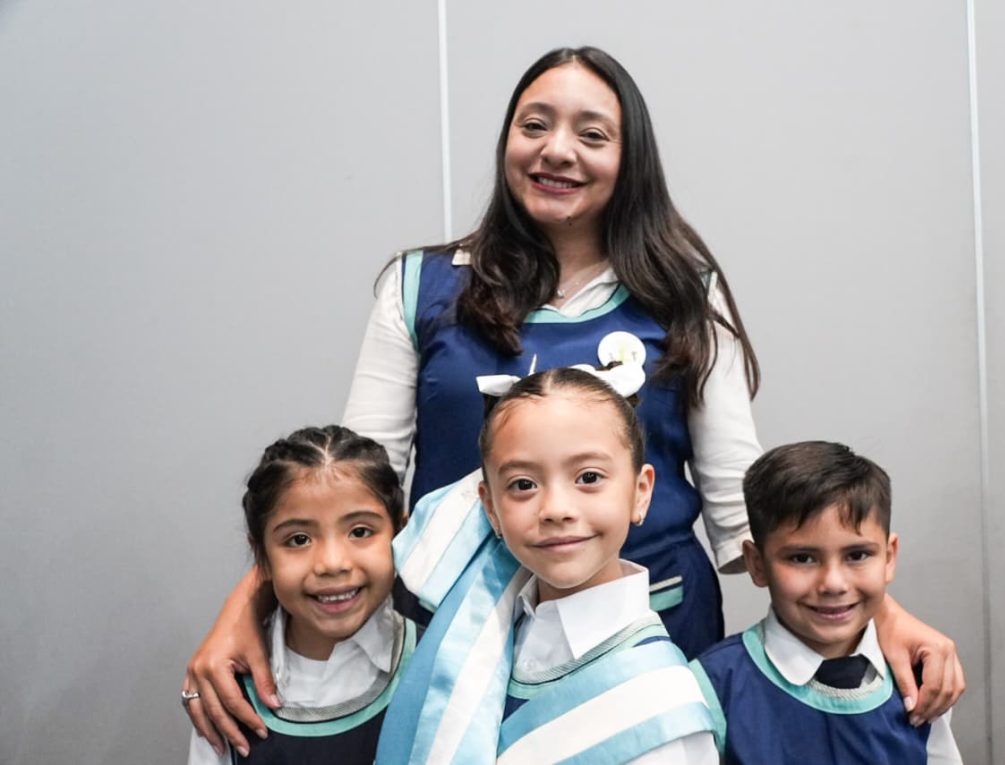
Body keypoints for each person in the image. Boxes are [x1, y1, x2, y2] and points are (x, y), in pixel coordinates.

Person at [183, 46, 964, 755]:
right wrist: (248, 603)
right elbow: (347, 494)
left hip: (648, 630)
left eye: (592, 134)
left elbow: (747, 513)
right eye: (535, 125)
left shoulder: (684, 293)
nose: (557, 149)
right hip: (457, 641)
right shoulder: (420, 288)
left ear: (631, 159)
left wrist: (876, 614)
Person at [377, 366, 718, 764]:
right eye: (523, 484)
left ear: (640, 492)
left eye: (588, 477)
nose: (556, 509)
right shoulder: (468, 645)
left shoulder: (659, 702)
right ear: (490, 507)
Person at [690, 441, 963, 764]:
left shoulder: (921, 678)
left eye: (857, 555)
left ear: (889, 558)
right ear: (757, 563)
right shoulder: (710, 689)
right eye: (802, 558)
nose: (833, 583)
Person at [184, 426, 416, 764]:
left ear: (401, 535)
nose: (332, 563)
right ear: (262, 555)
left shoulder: (437, 662)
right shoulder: (226, 690)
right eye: (299, 539)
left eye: (360, 531)